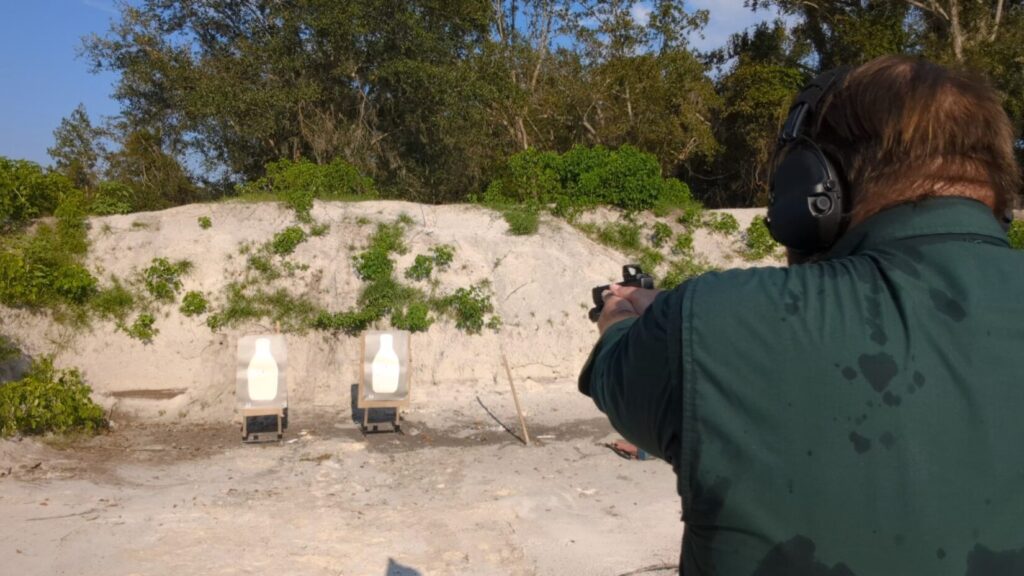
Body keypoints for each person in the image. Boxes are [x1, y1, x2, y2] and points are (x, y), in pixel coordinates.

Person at [579, 55, 1024, 575]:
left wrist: (622, 317)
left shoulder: (710, 321)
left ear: (812, 189)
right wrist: (674, 314)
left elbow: (618, 377)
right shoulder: (713, 320)